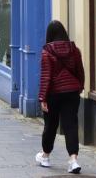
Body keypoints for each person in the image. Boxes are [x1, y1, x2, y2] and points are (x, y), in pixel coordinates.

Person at [36, 20, 85, 174]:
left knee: (50, 125)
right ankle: (73, 160)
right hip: (72, 92)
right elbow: (80, 72)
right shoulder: (74, 50)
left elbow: (46, 77)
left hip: (53, 94)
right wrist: (80, 88)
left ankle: (45, 156)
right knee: (70, 125)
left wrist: (43, 98)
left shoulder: (47, 52)